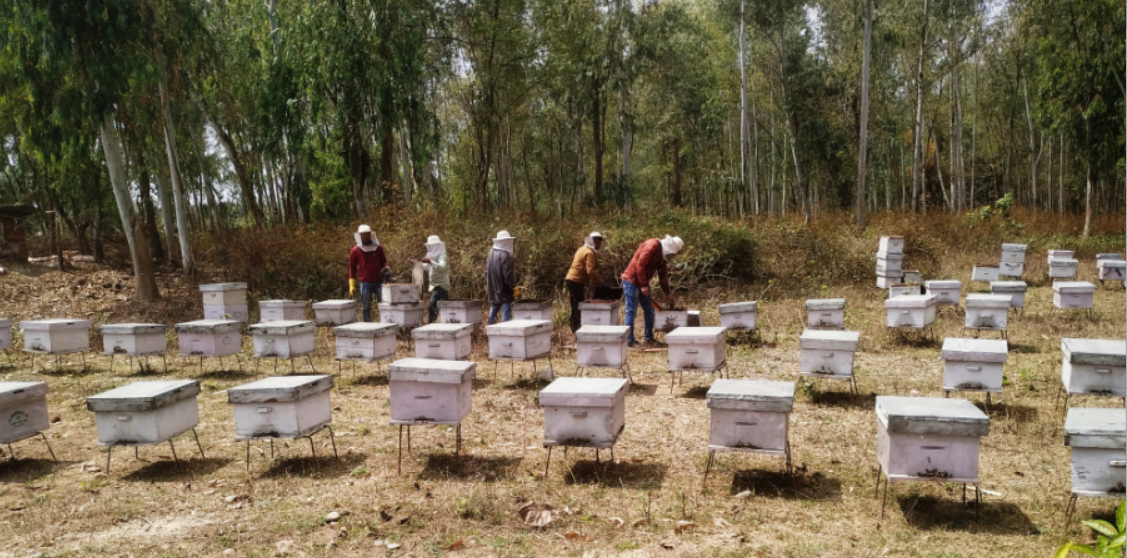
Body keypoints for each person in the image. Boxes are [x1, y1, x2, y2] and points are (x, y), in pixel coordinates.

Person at [621, 235, 682, 347]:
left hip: (642, 282)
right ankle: (629, 340)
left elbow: (663, 275)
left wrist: (668, 293)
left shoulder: (662, 256)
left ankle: (648, 338)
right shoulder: (652, 245)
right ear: (669, 248)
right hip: (631, 280)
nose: (671, 256)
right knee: (631, 311)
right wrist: (644, 285)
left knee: (649, 310)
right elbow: (640, 265)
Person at [348, 224, 390, 322]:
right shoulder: (355, 250)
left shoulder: (379, 248)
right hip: (365, 282)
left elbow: (384, 261)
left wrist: (387, 267)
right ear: (360, 236)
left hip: (379, 281)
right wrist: (351, 284)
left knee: (384, 305)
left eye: (367, 234)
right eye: (364, 234)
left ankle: (385, 324)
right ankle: (368, 326)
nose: (366, 236)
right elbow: (352, 267)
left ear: (371, 234)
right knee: (365, 307)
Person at [565, 231, 604, 333]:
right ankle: (576, 328)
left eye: (600, 241)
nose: (599, 244)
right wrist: (600, 282)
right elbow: (590, 271)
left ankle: (575, 327)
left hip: (572, 280)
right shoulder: (589, 252)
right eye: (597, 241)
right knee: (578, 305)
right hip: (576, 280)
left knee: (576, 304)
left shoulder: (581, 249)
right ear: (592, 241)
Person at [486, 230, 516, 324]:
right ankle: (505, 330)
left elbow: (486, 271)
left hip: (492, 288)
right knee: (506, 310)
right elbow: (507, 275)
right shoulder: (504, 255)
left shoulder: (491, 252)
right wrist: (514, 287)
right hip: (504, 289)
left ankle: (490, 327)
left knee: (494, 308)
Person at [420, 235, 450, 323]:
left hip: (441, 285)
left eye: (432, 246)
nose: (430, 248)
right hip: (435, 285)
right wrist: (415, 263)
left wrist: (430, 261)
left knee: (433, 305)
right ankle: (445, 321)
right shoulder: (430, 255)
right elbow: (426, 267)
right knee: (444, 305)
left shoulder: (442, 255)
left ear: (436, 246)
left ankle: (431, 323)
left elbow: (443, 268)